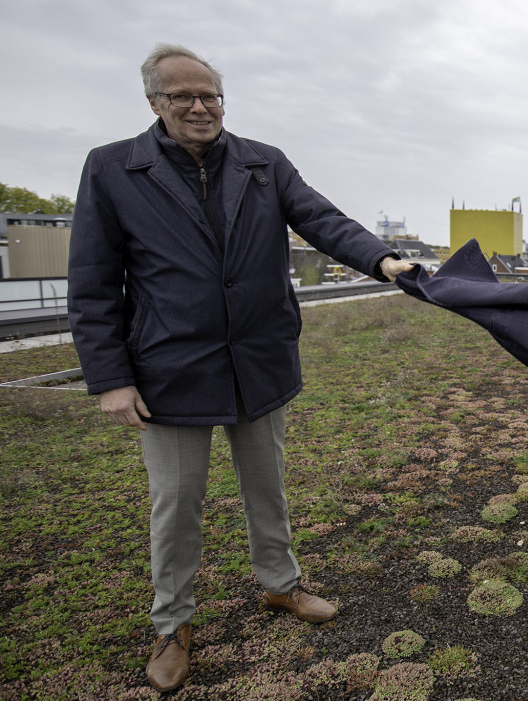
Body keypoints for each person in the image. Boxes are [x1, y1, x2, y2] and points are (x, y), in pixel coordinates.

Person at [67, 43, 416, 692]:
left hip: (259, 360)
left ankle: (280, 586)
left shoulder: (263, 163)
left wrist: (385, 261)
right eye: (183, 97)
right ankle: (172, 624)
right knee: (176, 504)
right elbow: (91, 281)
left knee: (267, 486)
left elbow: (321, 218)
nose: (200, 107)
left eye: (210, 96)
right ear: (155, 103)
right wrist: (110, 378)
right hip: (169, 369)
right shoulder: (112, 169)